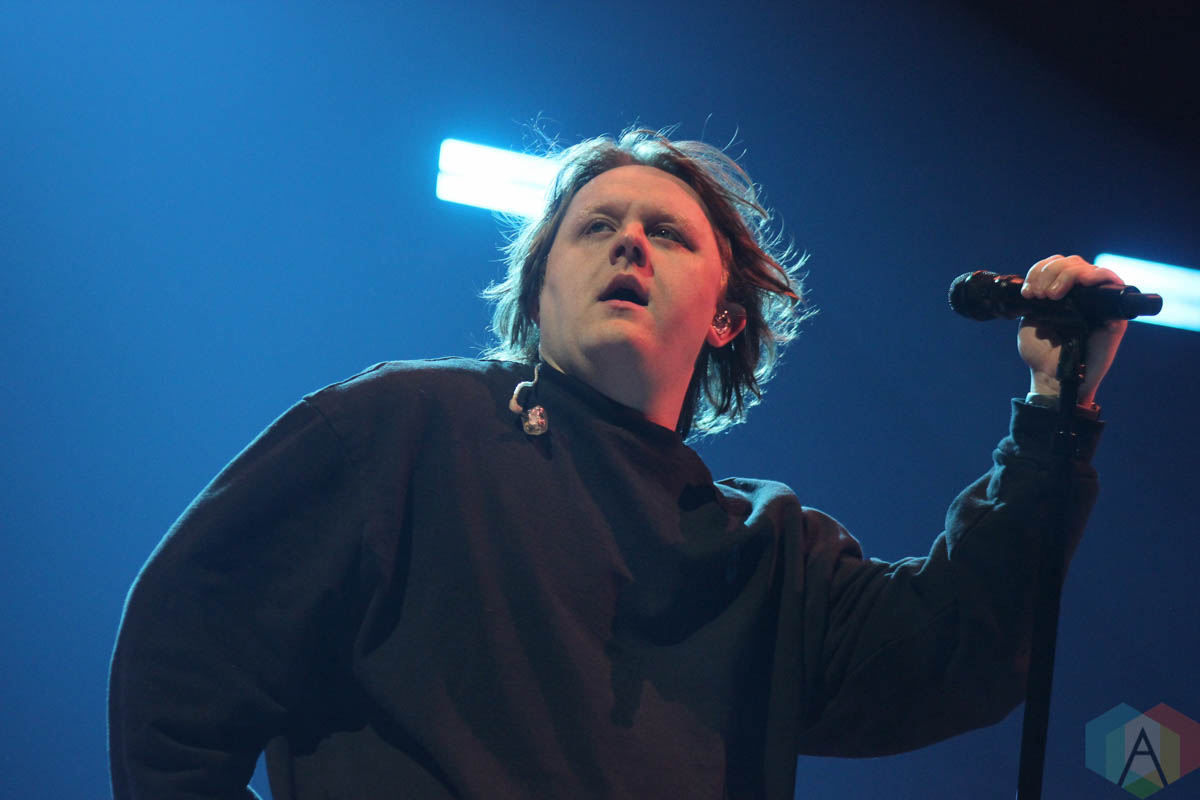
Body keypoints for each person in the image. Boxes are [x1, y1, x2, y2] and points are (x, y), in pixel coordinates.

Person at [108, 128, 1126, 799]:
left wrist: (1055, 403)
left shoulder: (766, 553)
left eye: (667, 234)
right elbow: (179, 667)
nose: (628, 242)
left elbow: (958, 647)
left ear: (726, 317)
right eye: (595, 226)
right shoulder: (401, 428)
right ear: (537, 291)